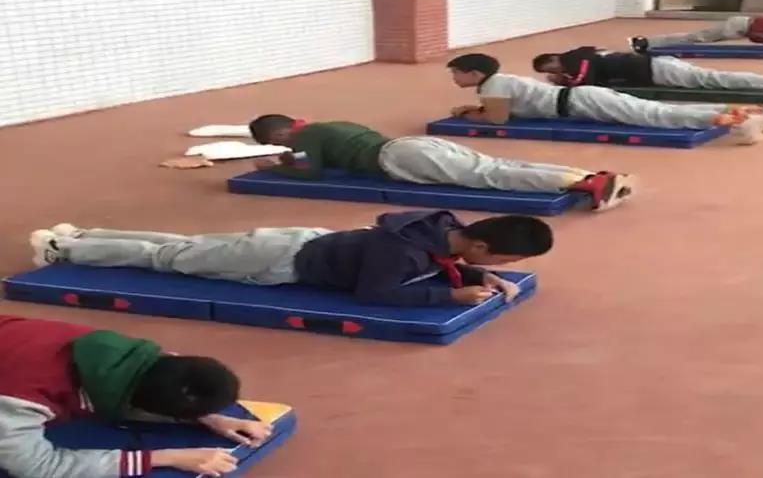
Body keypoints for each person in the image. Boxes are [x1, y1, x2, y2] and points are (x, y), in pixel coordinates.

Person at [28, 211, 553, 307]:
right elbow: (376, 292)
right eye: (507, 259)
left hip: (302, 240)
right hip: (276, 260)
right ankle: (64, 249)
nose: (510, 265)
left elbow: (444, 262)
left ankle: (88, 234)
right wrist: (451, 296)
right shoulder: (402, 250)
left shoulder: (442, 230)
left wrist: (481, 275)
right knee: (167, 259)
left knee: (183, 243)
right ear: (479, 243)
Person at [0, 316, 271, 478]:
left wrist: (208, 418)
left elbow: (149, 380)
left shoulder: (114, 350)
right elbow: (41, 468)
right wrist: (163, 458)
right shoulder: (21, 400)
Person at [248, 115, 634, 212]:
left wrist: (274, 167)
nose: (280, 146)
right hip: (411, 145)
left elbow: (310, 172)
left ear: (279, 133)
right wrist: (291, 157)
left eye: (275, 142)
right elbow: (321, 154)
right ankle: (587, 175)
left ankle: (587, 185)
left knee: (487, 177)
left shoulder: (302, 139)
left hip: (397, 158)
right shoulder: (329, 125)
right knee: (496, 163)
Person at [446, 53, 763, 145]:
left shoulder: (493, 85)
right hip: (584, 98)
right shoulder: (499, 81)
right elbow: (502, 110)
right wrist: (475, 109)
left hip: (583, 103)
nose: (454, 79)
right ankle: (750, 109)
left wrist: (466, 115)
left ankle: (739, 119)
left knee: (656, 116)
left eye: (456, 73)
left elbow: (498, 119)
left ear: (474, 73)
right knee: (657, 110)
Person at [532, 46, 763, 100]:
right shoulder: (579, 58)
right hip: (657, 67)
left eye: (551, 68)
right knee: (710, 79)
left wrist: (563, 81)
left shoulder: (574, 58)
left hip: (657, 70)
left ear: (555, 59)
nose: (554, 71)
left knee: (711, 80)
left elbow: (586, 81)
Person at [629, 16, 763, 54]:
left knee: (694, 38)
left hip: (741, 28)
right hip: (738, 26)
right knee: (694, 38)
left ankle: (647, 42)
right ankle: (645, 42)